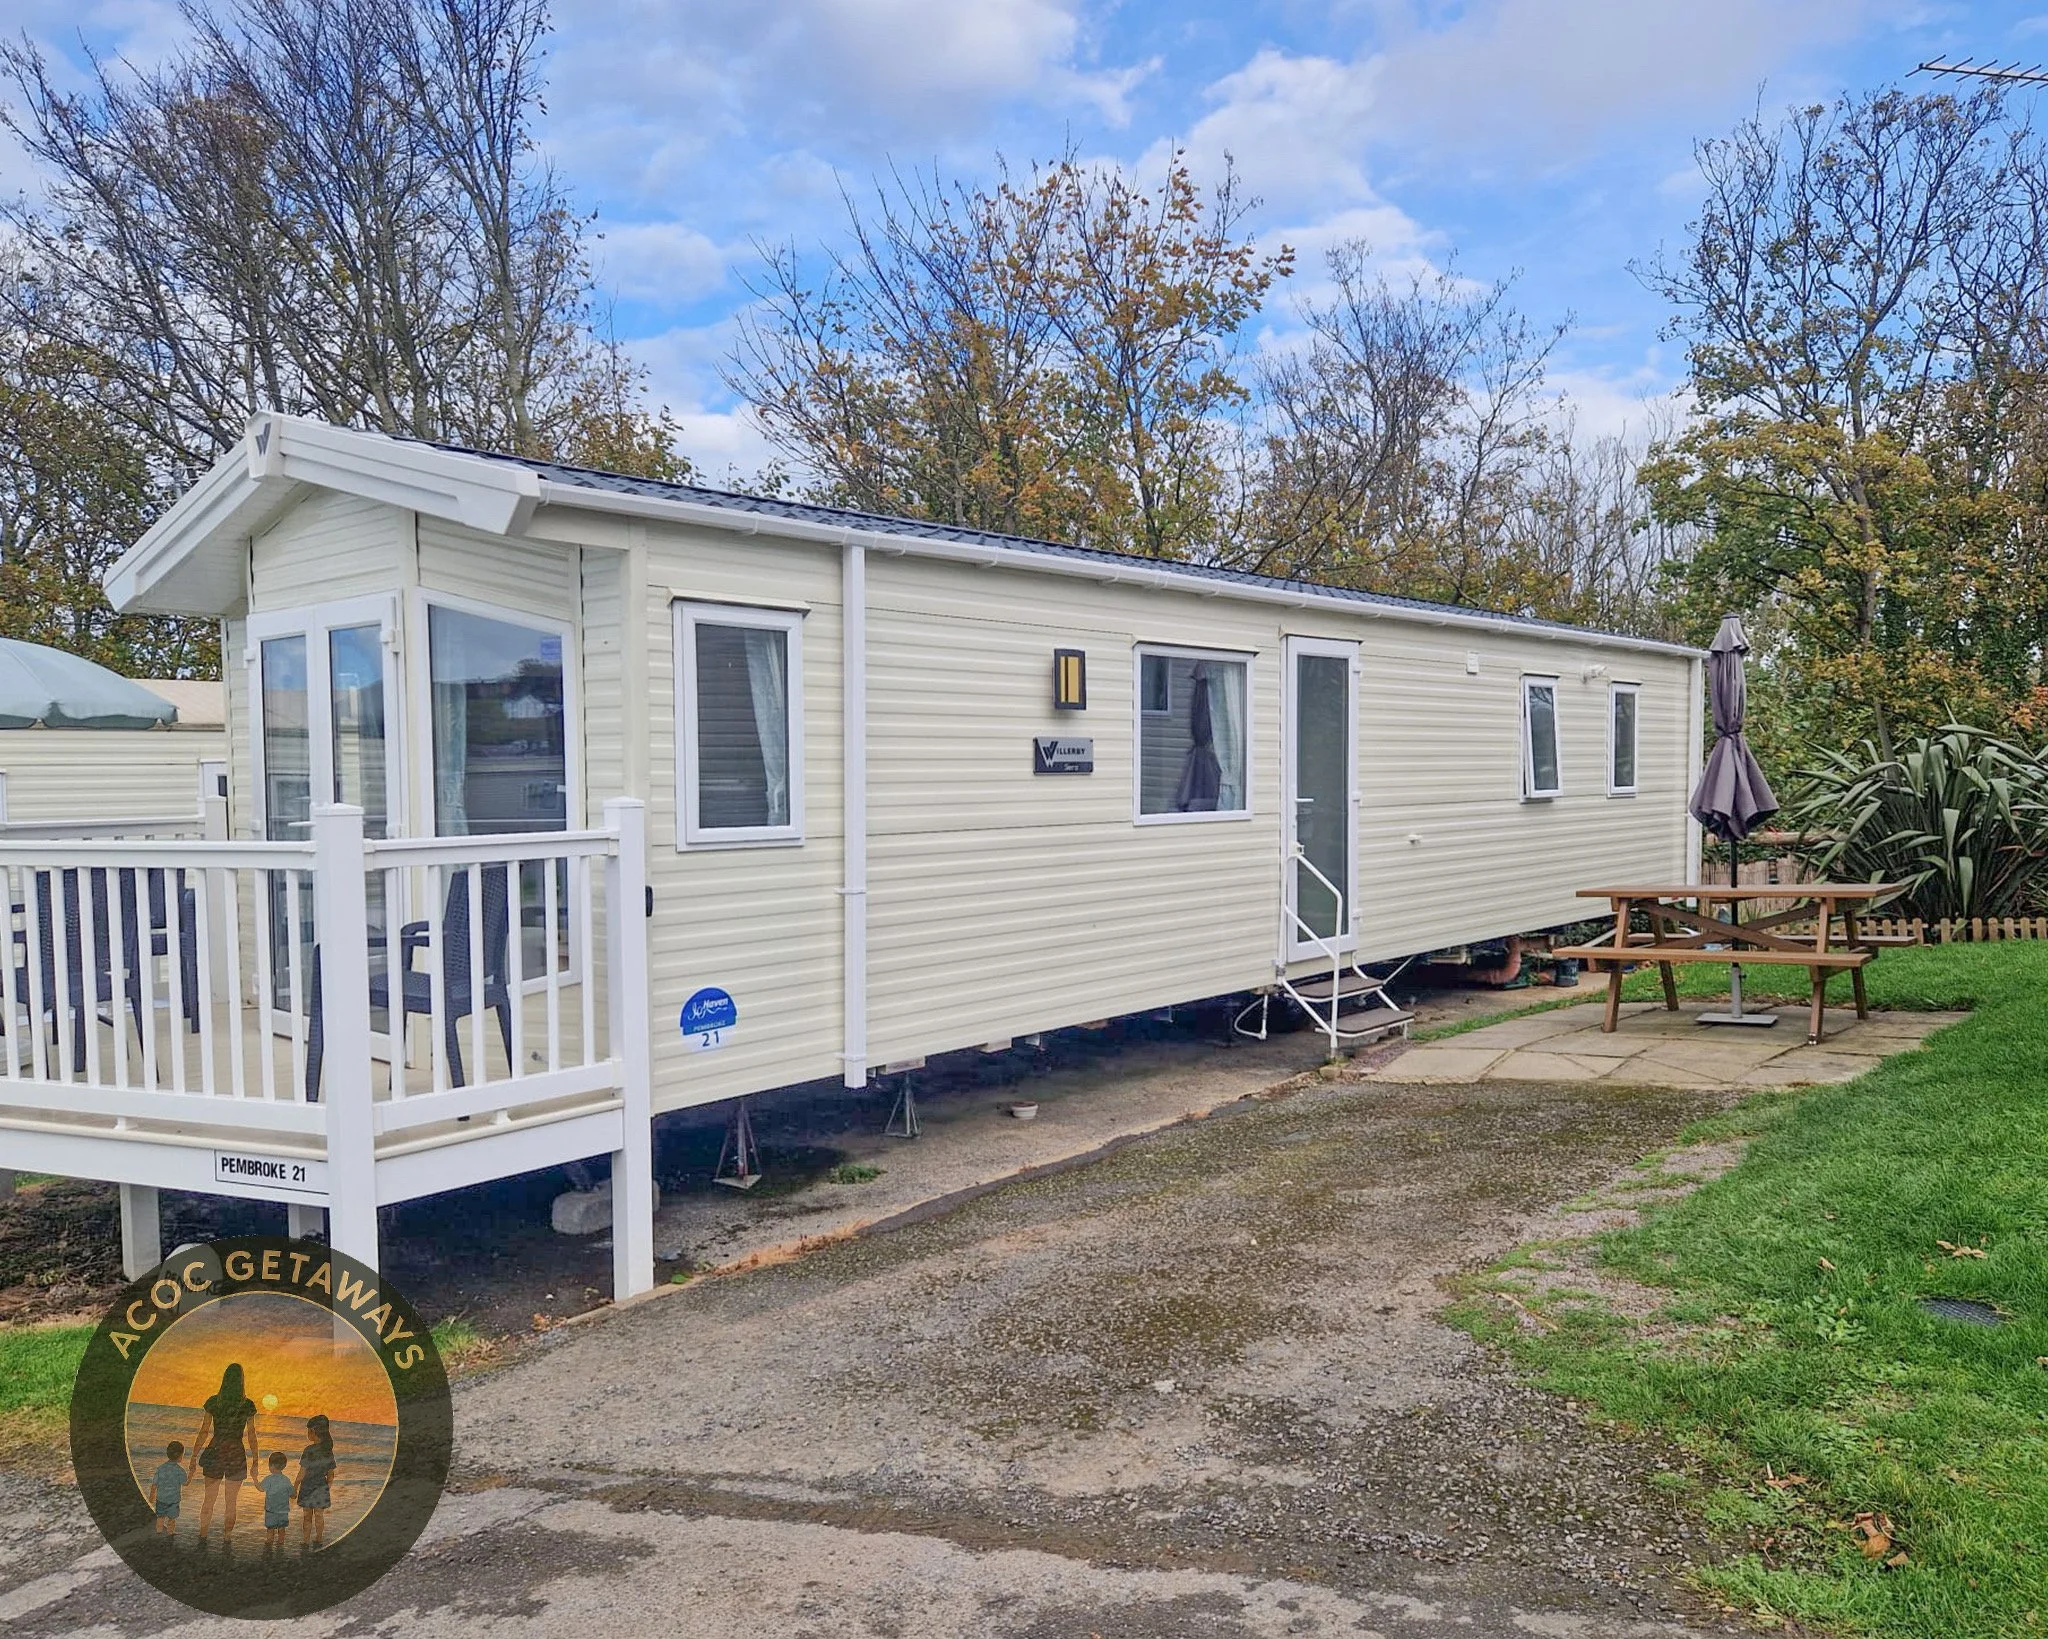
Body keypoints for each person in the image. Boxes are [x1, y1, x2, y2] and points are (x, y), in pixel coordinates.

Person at [187, 1363, 259, 1549]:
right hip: (236, 1452)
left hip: (216, 1450)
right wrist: (256, 1461)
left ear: (224, 1379)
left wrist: (194, 1456)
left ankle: (202, 1537)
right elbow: (251, 1434)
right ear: (242, 1381)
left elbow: (204, 1431)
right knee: (231, 1502)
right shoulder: (247, 1405)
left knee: (208, 1499)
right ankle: (227, 1539)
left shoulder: (214, 1402)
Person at [295, 1415, 337, 1553]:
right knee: (319, 1515)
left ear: (314, 1431)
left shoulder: (309, 1450)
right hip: (321, 1486)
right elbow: (331, 1475)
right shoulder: (328, 1451)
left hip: (307, 1486)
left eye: (308, 1431)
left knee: (307, 1516)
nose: (307, 1434)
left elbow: (302, 1473)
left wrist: (295, 1487)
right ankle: (318, 1538)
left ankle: (305, 1541)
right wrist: (326, 1488)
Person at [257, 1453, 294, 1556]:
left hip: (271, 1510)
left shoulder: (269, 1479)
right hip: (283, 1510)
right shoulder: (286, 1480)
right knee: (282, 1529)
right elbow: (292, 1494)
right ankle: (280, 1545)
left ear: (272, 1466)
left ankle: (269, 1544)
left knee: (270, 1529)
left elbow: (260, 1488)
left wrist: (255, 1479)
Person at [150, 1441, 186, 1536]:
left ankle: (158, 1532)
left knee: (160, 1517)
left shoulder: (161, 1468)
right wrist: (190, 1474)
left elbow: (154, 1484)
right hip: (174, 1500)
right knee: (172, 1519)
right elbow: (185, 1482)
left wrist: (151, 1497)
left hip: (161, 1499)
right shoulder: (180, 1471)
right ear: (180, 1456)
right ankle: (170, 1533)